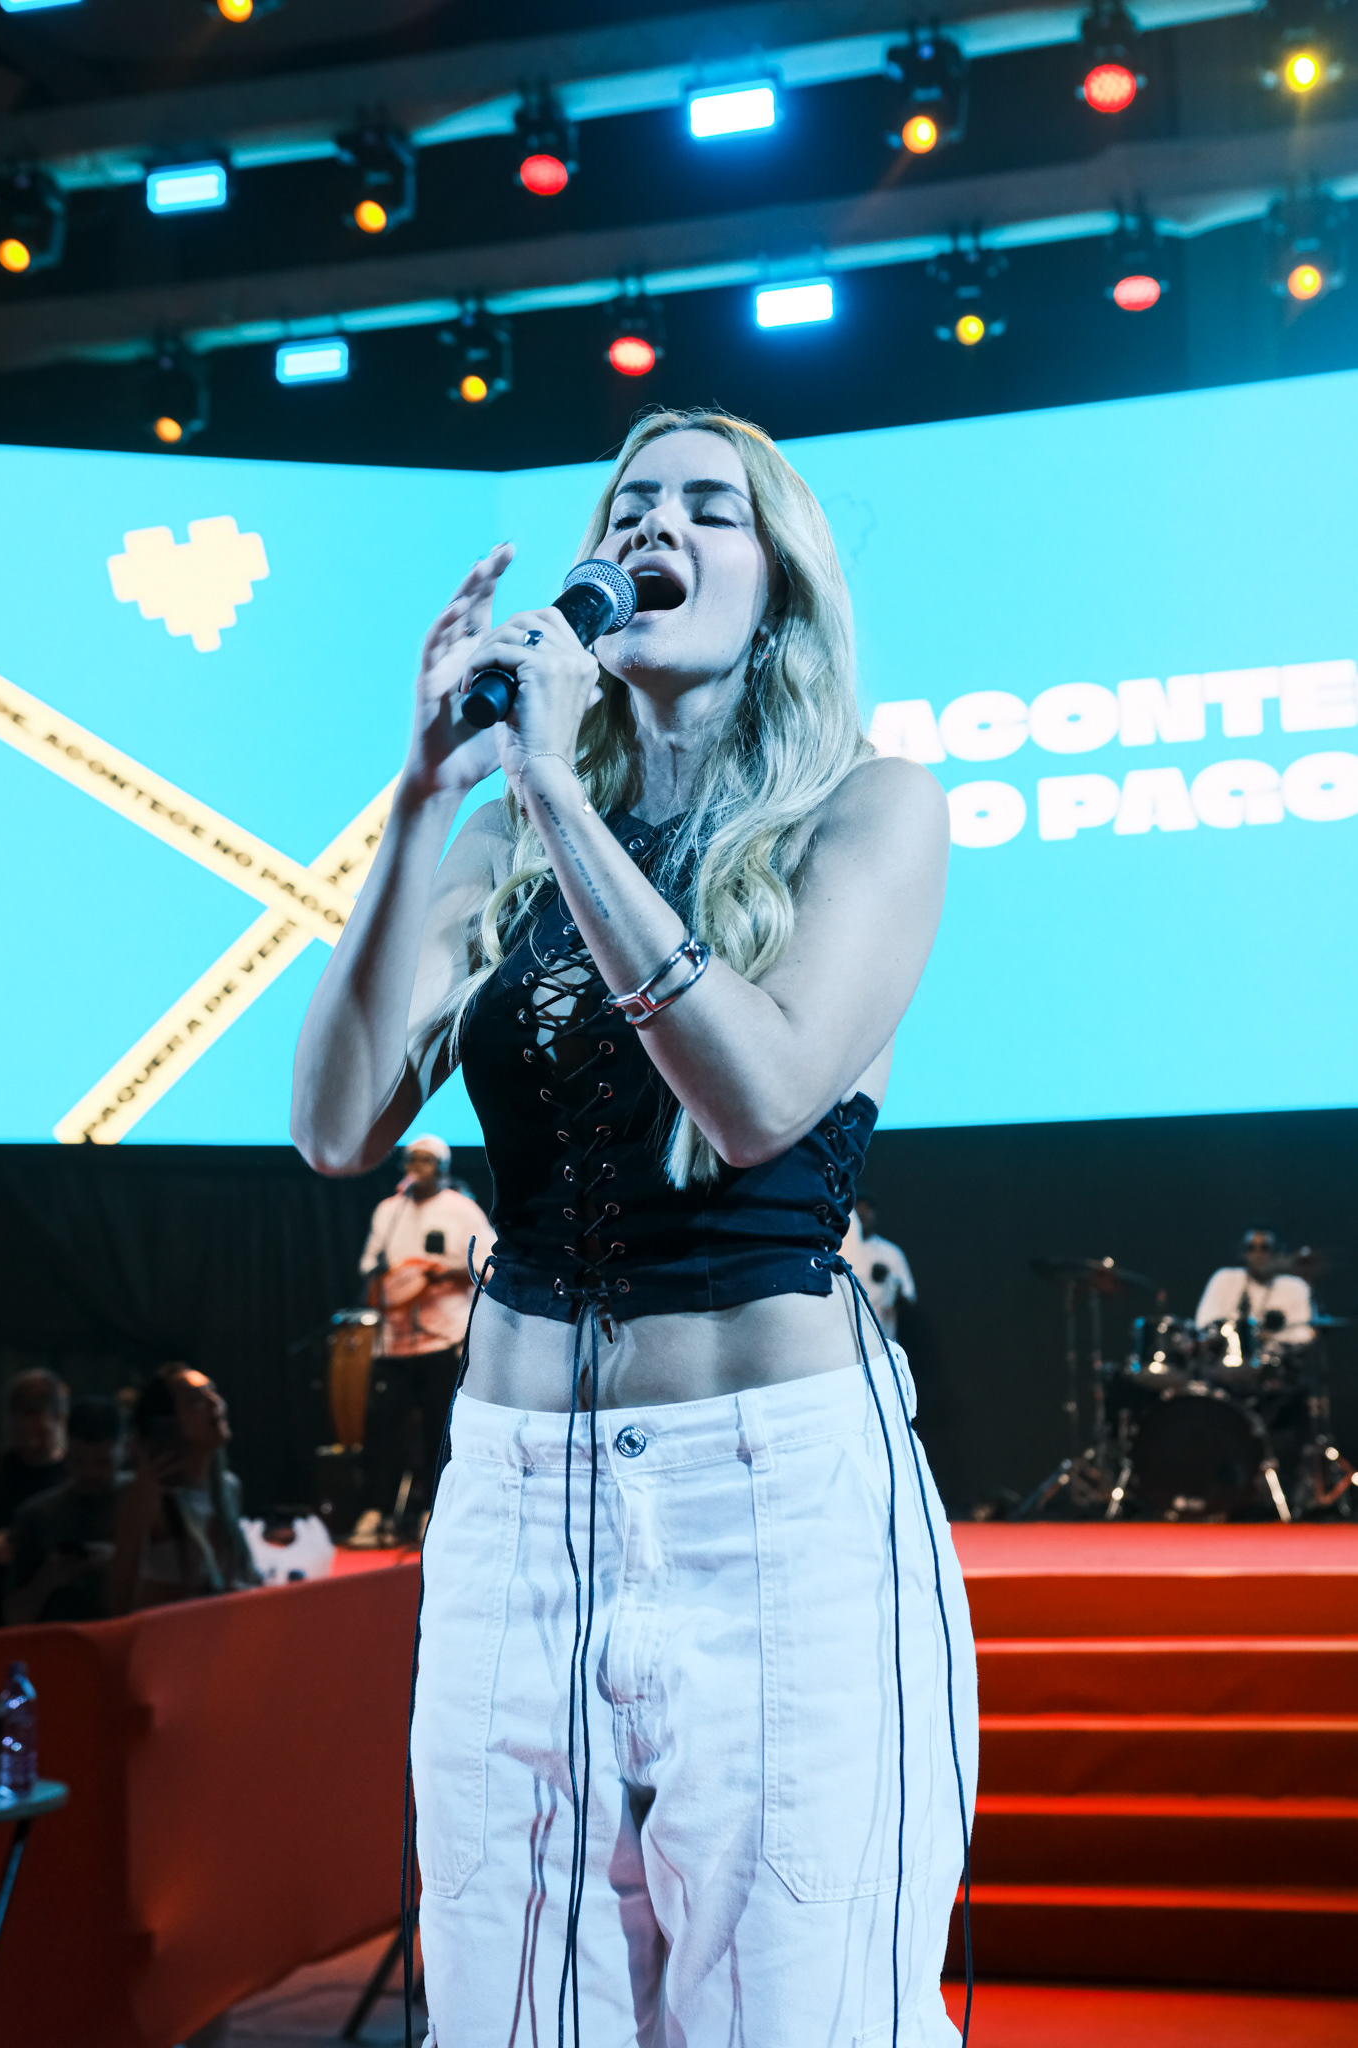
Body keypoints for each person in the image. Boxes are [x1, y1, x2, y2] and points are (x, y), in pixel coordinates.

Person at [291, 408, 977, 2048]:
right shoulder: (504, 839)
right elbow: (334, 1127)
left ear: (782, 586)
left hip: (773, 1493)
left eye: (708, 510)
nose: (654, 527)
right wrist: (423, 800)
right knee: (515, 2000)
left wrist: (555, 788)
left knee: (797, 2000)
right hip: (519, 1496)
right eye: (629, 506)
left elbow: (761, 1099)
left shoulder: (870, 810)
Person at [352, 1133, 493, 1544]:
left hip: (442, 1340)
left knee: (438, 1430)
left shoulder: (462, 1210)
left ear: (443, 1168)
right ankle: (377, 1512)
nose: (416, 1167)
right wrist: (394, 1279)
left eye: (425, 1160)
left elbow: (489, 1265)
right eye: (411, 1159)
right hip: (394, 1342)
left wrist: (445, 1272)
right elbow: (369, 1265)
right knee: (382, 1429)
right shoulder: (388, 1211)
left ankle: (435, 1510)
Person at [107, 1367, 259, 1613]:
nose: (215, 1403)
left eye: (212, 1391)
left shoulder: (228, 1488)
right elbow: (117, 1603)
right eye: (195, 1399)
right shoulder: (148, 1497)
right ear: (167, 1423)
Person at [5, 1396, 127, 1625]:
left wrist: (124, 1560)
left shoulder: (143, 1507)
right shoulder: (37, 1516)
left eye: (103, 1463)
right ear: (66, 1451)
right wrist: (48, 1579)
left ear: (125, 1450)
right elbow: (14, 1618)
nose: (90, 1473)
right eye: (79, 1462)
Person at [0, 1369, 68, 1626]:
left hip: (59, 1609)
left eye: (34, 1415)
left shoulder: (76, 1476)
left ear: (59, 1418)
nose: (27, 1432)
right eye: (20, 1417)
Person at [1195, 1226, 1314, 1354]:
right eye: (1251, 1248)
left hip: (1277, 1358)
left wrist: (1272, 1337)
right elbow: (1204, 1323)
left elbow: (1305, 1333)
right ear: (1243, 1252)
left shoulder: (1294, 1287)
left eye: (1264, 1248)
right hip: (1228, 1357)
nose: (1257, 1254)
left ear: (1277, 1251)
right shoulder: (1225, 1279)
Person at [841, 1195, 917, 1342]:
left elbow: (908, 1298)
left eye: (867, 1208)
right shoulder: (836, 1251)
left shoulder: (890, 1252)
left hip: (882, 1342)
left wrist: (891, 1281)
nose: (862, 1213)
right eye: (857, 1207)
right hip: (845, 1341)